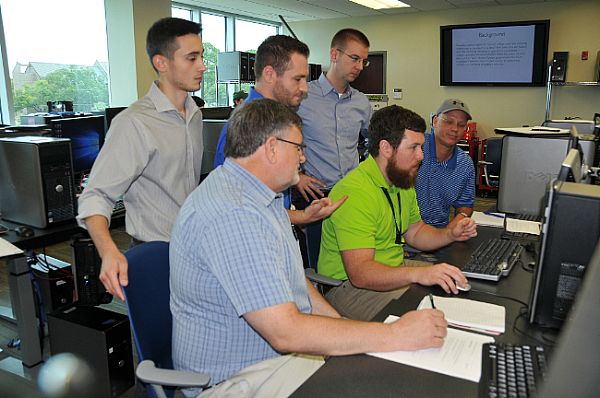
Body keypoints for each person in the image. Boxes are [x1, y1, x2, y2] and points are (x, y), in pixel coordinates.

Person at [170, 99, 449, 398]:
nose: (303, 158)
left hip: (275, 362)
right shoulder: (233, 213)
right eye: (298, 148)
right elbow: (285, 333)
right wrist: (394, 334)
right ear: (272, 147)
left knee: (377, 371)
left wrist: (341, 325)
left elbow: (293, 280)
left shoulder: (264, 197)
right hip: (235, 380)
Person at [76, 17, 206, 301]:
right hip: (154, 254)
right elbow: (94, 195)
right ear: (162, 63)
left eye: (202, 56)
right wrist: (109, 251)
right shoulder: (134, 123)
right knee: (160, 341)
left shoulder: (194, 114)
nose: (202, 66)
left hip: (193, 250)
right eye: (192, 58)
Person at [318, 105, 478, 321]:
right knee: (427, 314)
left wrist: (450, 234)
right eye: (413, 147)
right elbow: (361, 274)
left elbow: (416, 232)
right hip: (348, 287)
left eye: (421, 147)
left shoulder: (401, 180)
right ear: (386, 148)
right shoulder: (354, 192)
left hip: (391, 267)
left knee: (458, 285)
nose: (421, 156)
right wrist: (418, 274)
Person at [213, 35, 340, 226]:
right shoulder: (246, 126)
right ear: (270, 74)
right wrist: (300, 217)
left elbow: (264, 204)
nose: (305, 88)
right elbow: (239, 207)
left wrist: (302, 216)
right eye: (297, 79)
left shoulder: (278, 121)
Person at [294, 28, 372, 206]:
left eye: (363, 61)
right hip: (314, 194)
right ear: (334, 54)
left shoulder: (361, 102)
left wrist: (366, 172)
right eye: (354, 58)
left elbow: (375, 140)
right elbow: (281, 139)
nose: (360, 67)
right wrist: (296, 176)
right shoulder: (303, 96)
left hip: (352, 191)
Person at [415, 98, 476, 228]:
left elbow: (465, 205)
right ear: (435, 121)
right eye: (448, 122)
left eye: (461, 125)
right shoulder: (415, 148)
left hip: (439, 231)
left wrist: (452, 229)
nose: (454, 129)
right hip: (402, 232)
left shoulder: (465, 164)